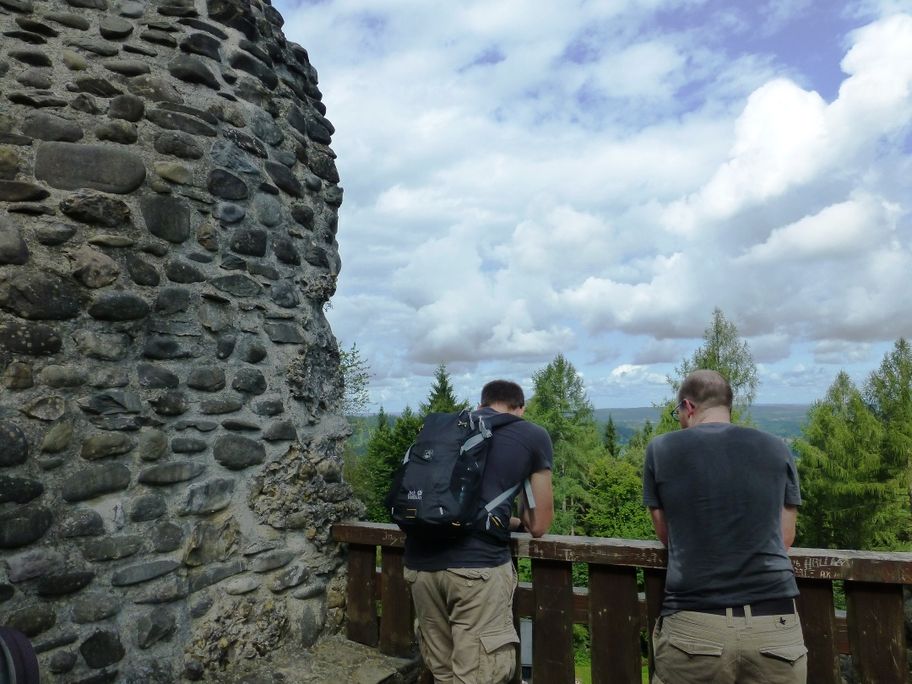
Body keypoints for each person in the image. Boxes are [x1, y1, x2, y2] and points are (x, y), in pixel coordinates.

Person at [643, 369, 806, 684]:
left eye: (678, 411)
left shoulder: (661, 449)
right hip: (775, 625)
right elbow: (785, 538)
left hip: (695, 624)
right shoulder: (778, 447)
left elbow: (667, 536)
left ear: (689, 407)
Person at [404, 379, 554, 684]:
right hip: (477, 570)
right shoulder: (532, 434)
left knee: (443, 675)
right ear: (520, 409)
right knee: (477, 676)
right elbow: (539, 525)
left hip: (420, 565)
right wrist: (517, 518)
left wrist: (503, 519)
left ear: (480, 404)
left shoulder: (448, 430)